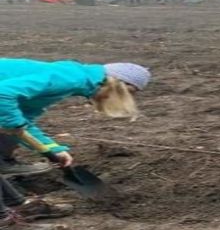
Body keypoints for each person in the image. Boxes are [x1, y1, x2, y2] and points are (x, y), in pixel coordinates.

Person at [0, 59, 150, 177]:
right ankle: (5, 166)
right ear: (117, 85)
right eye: (127, 93)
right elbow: (3, 93)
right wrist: (14, 124)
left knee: (11, 120)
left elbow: (24, 120)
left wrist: (54, 149)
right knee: (10, 121)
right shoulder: (69, 78)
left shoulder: (71, 80)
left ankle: (5, 167)